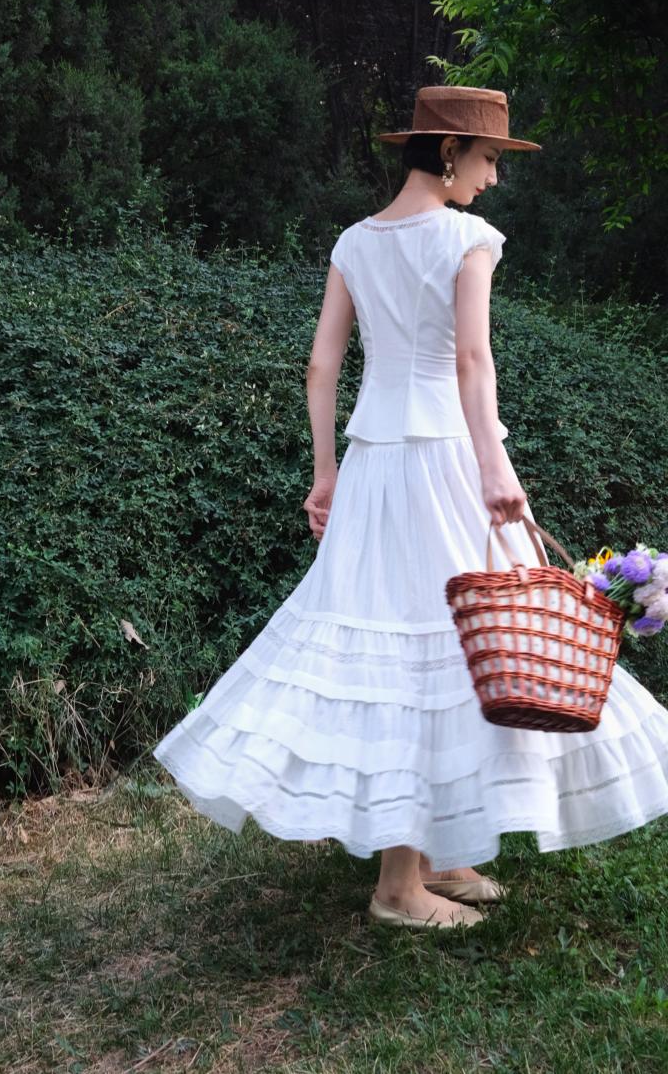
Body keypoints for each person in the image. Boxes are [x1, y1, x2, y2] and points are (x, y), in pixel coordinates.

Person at [152, 85, 668, 930]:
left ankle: (439, 850)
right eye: (491, 158)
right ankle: (398, 886)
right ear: (447, 154)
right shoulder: (467, 238)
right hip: (446, 460)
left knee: (419, 635)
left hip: (373, 462)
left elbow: (323, 367)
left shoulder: (355, 242)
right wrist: (496, 467)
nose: (494, 179)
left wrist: (324, 474)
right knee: (454, 642)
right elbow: (472, 362)